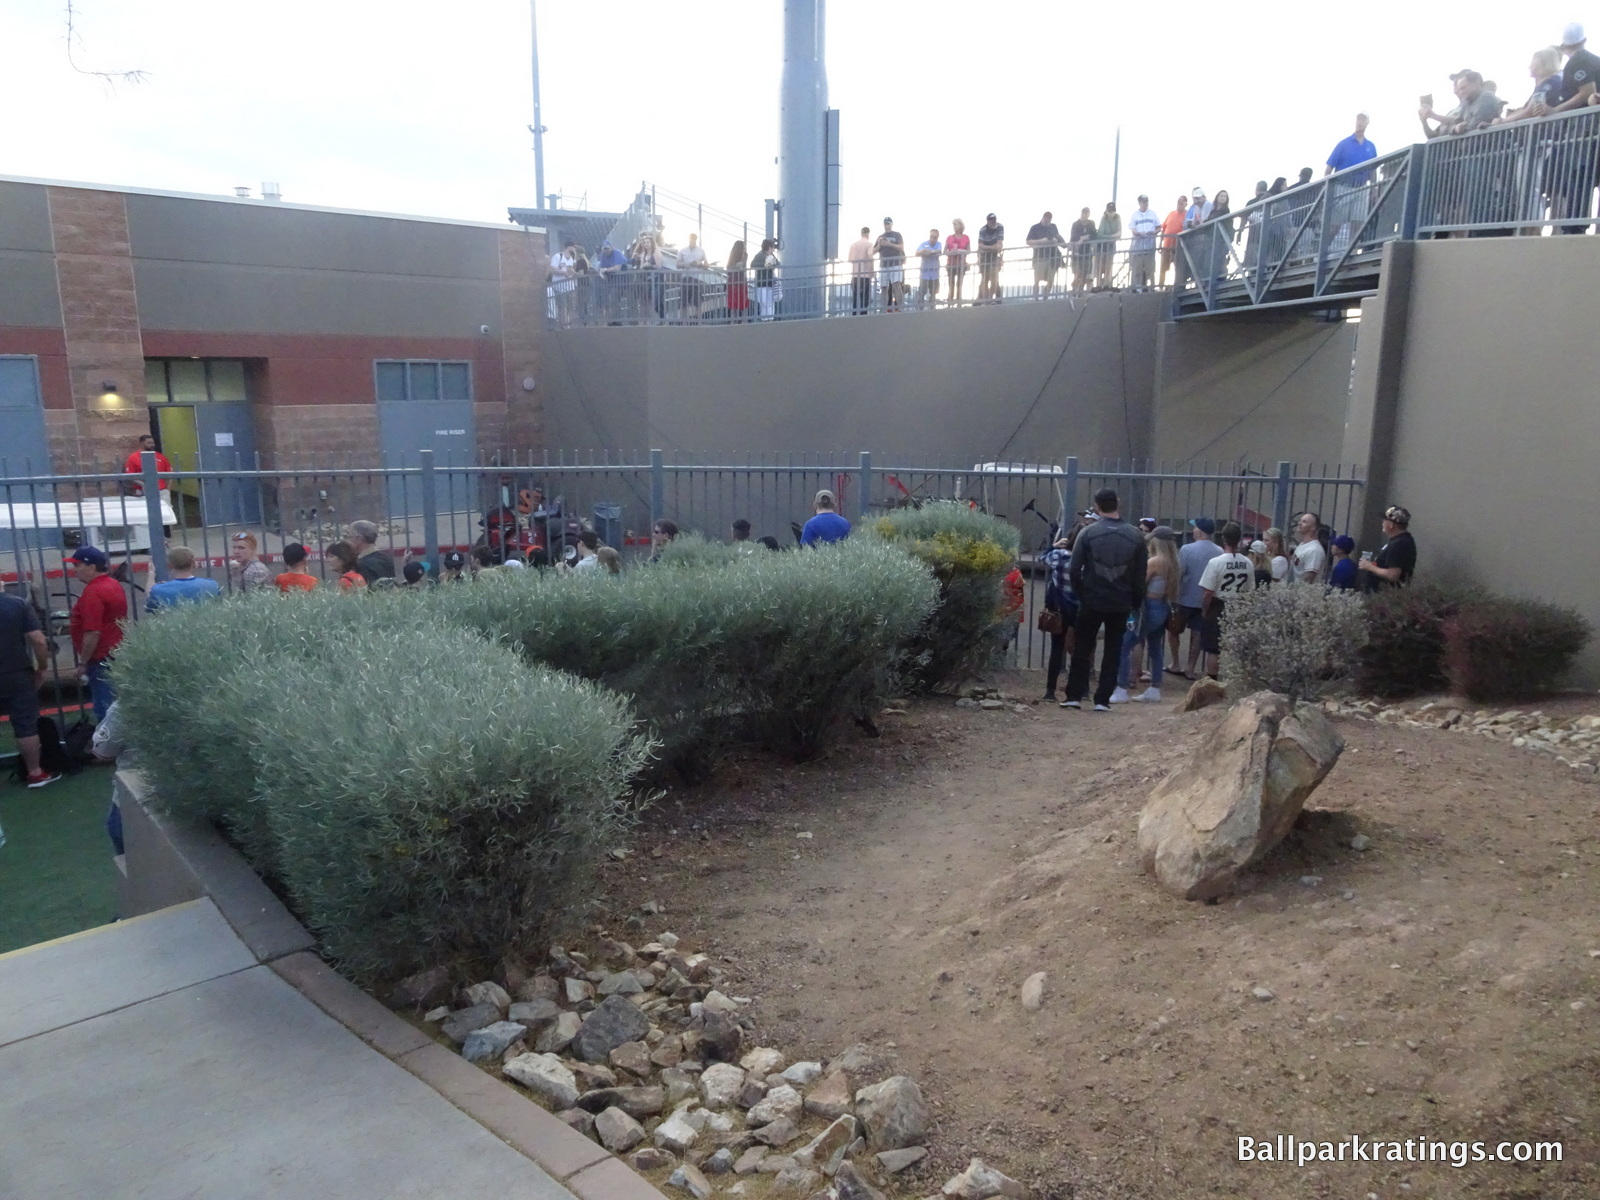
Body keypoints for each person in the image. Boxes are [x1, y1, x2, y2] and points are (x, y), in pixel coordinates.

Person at [1062, 489, 1144, 712]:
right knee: (1113, 650)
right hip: (1120, 601)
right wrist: (1134, 602)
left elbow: (1074, 569)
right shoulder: (1135, 535)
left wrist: (1082, 594)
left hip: (1092, 599)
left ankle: (1074, 696)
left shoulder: (1087, 533)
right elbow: (1139, 575)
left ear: (1097, 506)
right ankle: (1102, 700)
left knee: (1082, 648)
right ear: (1118, 503)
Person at [0, 584, 59, 788]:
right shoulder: (17, 605)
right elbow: (38, 640)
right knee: (25, 724)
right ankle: (35, 772)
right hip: (16, 672)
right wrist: (41, 667)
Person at [1114, 526, 1176, 704]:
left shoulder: (1154, 561)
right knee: (1155, 649)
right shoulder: (1173, 562)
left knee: (1124, 646)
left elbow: (1140, 584)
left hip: (1148, 608)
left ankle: (1121, 688)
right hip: (1162, 606)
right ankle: (1155, 688)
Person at [67, 546, 126, 722]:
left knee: (105, 710)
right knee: (116, 705)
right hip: (116, 651)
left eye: (77, 565)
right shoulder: (112, 584)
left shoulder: (93, 592)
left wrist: (83, 663)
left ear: (91, 567)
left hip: (101, 658)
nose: (75, 570)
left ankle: (109, 748)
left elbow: (92, 632)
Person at [1197, 522, 1254, 679]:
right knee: (1234, 646)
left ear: (1223, 538)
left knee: (1214, 648)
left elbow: (1208, 591)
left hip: (1218, 605)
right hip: (1239, 605)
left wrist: (1204, 610)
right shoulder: (1248, 563)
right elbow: (1250, 590)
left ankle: (1212, 680)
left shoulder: (1216, 563)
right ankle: (1232, 679)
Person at [1172, 517, 1223, 680]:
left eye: (1194, 528)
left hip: (1185, 597)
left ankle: (1175, 663)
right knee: (1198, 634)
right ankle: (1190, 668)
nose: (1193, 530)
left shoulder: (1186, 549)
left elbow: (1179, 573)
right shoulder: (1219, 551)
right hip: (1205, 599)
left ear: (1199, 531)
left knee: (1173, 629)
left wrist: (1174, 593)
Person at [1037, 522, 1083, 702]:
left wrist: (1053, 546)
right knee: (1080, 651)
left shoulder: (1059, 556)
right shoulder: (1089, 560)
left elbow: (1042, 558)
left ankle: (1050, 691)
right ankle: (1080, 690)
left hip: (1060, 609)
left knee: (1057, 649)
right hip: (1080, 610)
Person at [1420, 71, 1502, 138]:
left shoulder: (1486, 98)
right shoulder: (1466, 102)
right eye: (1459, 89)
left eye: (1463, 88)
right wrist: (1455, 129)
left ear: (1475, 83)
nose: (1460, 92)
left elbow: (1475, 125)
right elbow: (1457, 122)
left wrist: (1460, 128)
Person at [1359, 504, 1417, 590]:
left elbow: (1393, 575)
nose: (1382, 523)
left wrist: (1370, 567)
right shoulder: (1400, 540)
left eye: (1384, 521)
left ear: (1391, 525)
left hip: (1384, 596)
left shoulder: (1399, 545)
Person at [146, 546, 222, 611]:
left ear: (170, 565)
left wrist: (151, 573)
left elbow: (149, 597)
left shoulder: (159, 590)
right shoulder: (212, 585)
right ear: (193, 563)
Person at [1026, 211, 1065, 299]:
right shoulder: (1035, 228)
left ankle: (1045, 296)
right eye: (1046, 219)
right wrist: (1042, 241)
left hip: (1052, 258)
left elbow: (1058, 238)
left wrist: (1056, 240)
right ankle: (1035, 297)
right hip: (1039, 257)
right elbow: (1028, 241)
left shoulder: (1053, 227)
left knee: (1050, 280)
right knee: (1037, 280)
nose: (1048, 221)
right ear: (1043, 218)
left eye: (1049, 219)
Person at [1127, 196, 1160, 291]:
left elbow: (1159, 227)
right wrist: (1139, 234)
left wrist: (1153, 233)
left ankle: (1152, 288)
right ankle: (1138, 289)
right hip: (1138, 247)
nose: (1145, 203)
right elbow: (1133, 230)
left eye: (1146, 201)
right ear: (1139, 203)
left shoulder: (1153, 214)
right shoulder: (1134, 215)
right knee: (1138, 269)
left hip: (1149, 247)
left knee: (1150, 269)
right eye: (1143, 202)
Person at [349, 520, 395, 585]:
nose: (349, 541)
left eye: (350, 537)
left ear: (359, 538)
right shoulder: (386, 557)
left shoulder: (361, 564)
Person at [874, 219, 905, 312]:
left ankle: (901, 308)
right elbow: (873, 251)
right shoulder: (880, 236)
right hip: (883, 265)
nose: (887, 225)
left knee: (897, 286)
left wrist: (889, 244)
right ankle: (883, 309)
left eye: (888, 223)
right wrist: (879, 245)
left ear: (891, 224)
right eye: (885, 223)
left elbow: (901, 247)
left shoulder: (897, 235)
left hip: (895, 264)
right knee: (884, 287)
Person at [1291, 511, 1327, 584]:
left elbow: (1309, 578)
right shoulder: (1302, 544)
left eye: (1304, 522)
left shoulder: (1314, 550)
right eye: (1300, 520)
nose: (1299, 523)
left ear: (1313, 527)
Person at [678, 233, 708, 319]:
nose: (693, 241)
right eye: (691, 239)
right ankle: (684, 324)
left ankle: (699, 323)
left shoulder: (701, 251)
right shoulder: (682, 250)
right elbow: (678, 264)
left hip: (696, 279)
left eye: (694, 239)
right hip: (685, 278)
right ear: (689, 239)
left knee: (698, 302)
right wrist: (686, 264)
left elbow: (706, 265)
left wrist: (699, 264)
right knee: (683, 302)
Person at [1159, 194, 1187, 287]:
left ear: (1186, 204)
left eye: (1182, 201)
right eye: (1179, 201)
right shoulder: (1171, 213)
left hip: (1178, 247)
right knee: (1163, 268)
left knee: (1178, 269)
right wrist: (1160, 243)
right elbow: (1163, 228)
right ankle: (1160, 286)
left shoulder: (1187, 214)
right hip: (1166, 246)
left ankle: (1178, 287)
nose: (1180, 203)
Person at [976, 213, 1004, 302]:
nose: (993, 223)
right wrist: (992, 247)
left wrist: (988, 247)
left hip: (995, 257)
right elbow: (980, 246)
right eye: (991, 221)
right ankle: (985, 298)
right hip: (984, 257)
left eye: (994, 220)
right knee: (985, 278)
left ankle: (991, 298)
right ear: (987, 221)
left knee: (994, 277)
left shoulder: (1000, 227)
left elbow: (999, 245)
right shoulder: (983, 230)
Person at [1069, 207, 1096, 295]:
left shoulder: (1091, 223)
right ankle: (1074, 288)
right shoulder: (1076, 224)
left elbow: (1094, 235)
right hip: (1077, 253)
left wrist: (1083, 238)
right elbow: (1074, 237)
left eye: (1086, 213)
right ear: (1081, 213)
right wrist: (1082, 238)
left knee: (1085, 273)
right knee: (1077, 273)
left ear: (1089, 214)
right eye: (1083, 213)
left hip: (1087, 252)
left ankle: (1080, 290)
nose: (1085, 215)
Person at [752, 238, 780, 320]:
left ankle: (770, 319)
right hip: (762, 284)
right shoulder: (759, 255)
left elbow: (778, 263)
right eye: (772, 248)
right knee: (764, 304)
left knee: (770, 304)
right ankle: (765, 320)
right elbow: (753, 265)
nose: (773, 250)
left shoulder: (771, 256)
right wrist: (764, 265)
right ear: (768, 247)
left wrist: (774, 264)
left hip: (769, 284)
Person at [1095, 202, 1121, 290]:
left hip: (1110, 246)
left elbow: (1119, 234)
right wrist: (1111, 237)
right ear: (1106, 211)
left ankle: (1106, 285)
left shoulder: (1118, 218)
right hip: (1100, 246)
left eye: (1113, 211)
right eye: (1109, 211)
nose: (1111, 213)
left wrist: (1108, 237)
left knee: (1108, 266)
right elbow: (1100, 234)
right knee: (1099, 266)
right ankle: (1098, 285)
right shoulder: (1103, 218)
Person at [848, 226, 874, 315]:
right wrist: (872, 271)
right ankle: (863, 315)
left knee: (855, 297)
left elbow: (850, 259)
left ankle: (854, 316)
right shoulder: (869, 244)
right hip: (865, 275)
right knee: (865, 299)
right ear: (868, 234)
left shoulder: (853, 245)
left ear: (861, 233)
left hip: (855, 276)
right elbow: (870, 258)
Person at [945, 218, 970, 304]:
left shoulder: (966, 237)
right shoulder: (949, 237)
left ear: (960, 225)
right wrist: (951, 252)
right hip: (951, 264)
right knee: (951, 283)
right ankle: (950, 302)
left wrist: (961, 251)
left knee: (959, 283)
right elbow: (944, 251)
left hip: (961, 264)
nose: (954, 227)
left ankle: (958, 301)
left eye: (956, 224)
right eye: (953, 225)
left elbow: (969, 250)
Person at [915, 228, 943, 308]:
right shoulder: (923, 244)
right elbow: (916, 253)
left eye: (934, 238)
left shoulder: (939, 244)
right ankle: (919, 310)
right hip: (924, 274)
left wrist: (931, 252)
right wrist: (923, 251)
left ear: (937, 238)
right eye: (931, 237)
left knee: (933, 293)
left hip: (934, 274)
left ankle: (932, 310)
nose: (932, 239)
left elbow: (939, 251)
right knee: (922, 292)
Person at [726, 240, 750, 322]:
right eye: (743, 247)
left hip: (741, 282)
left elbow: (743, 267)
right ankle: (734, 323)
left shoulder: (745, 256)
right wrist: (736, 266)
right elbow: (728, 268)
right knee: (734, 304)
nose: (745, 249)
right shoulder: (733, 256)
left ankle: (743, 322)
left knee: (743, 303)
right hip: (734, 282)